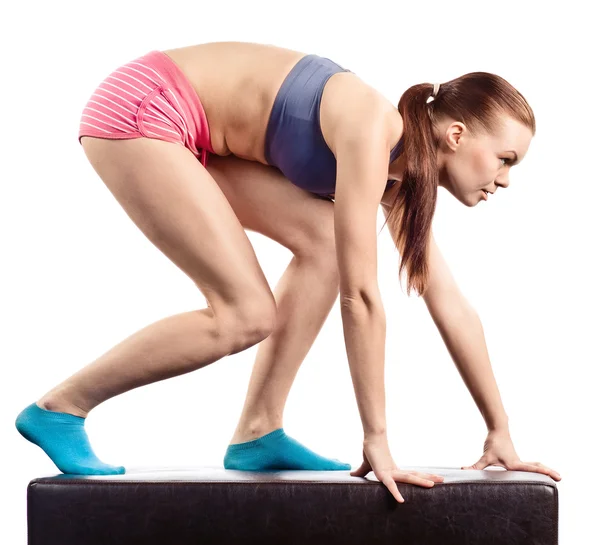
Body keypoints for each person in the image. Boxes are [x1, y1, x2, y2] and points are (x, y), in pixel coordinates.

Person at [15, 41, 560, 504]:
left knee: (324, 241)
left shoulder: (398, 179)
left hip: (193, 133)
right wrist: (377, 440)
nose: (506, 180)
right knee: (245, 315)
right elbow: (362, 297)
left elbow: (450, 303)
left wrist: (499, 430)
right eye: (505, 159)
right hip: (143, 109)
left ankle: (258, 430)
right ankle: (60, 409)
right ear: (458, 136)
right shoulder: (373, 130)